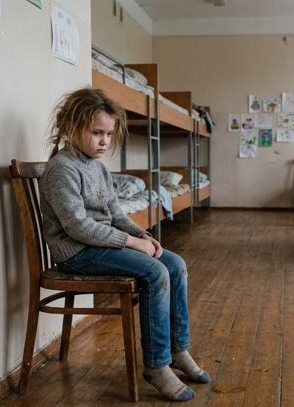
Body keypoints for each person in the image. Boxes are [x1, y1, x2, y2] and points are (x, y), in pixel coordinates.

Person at [39, 88, 208, 401]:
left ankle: (177, 349)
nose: (104, 141)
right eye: (97, 133)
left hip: (99, 246)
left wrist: (143, 235)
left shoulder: (99, 168)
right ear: (72, 128)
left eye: (109, 134)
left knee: (175, 264)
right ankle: (157, 364)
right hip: (77, 252)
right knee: (155, 273)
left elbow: (116, 215)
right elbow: (77, 227)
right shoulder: (62, 168)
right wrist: (130, 242)